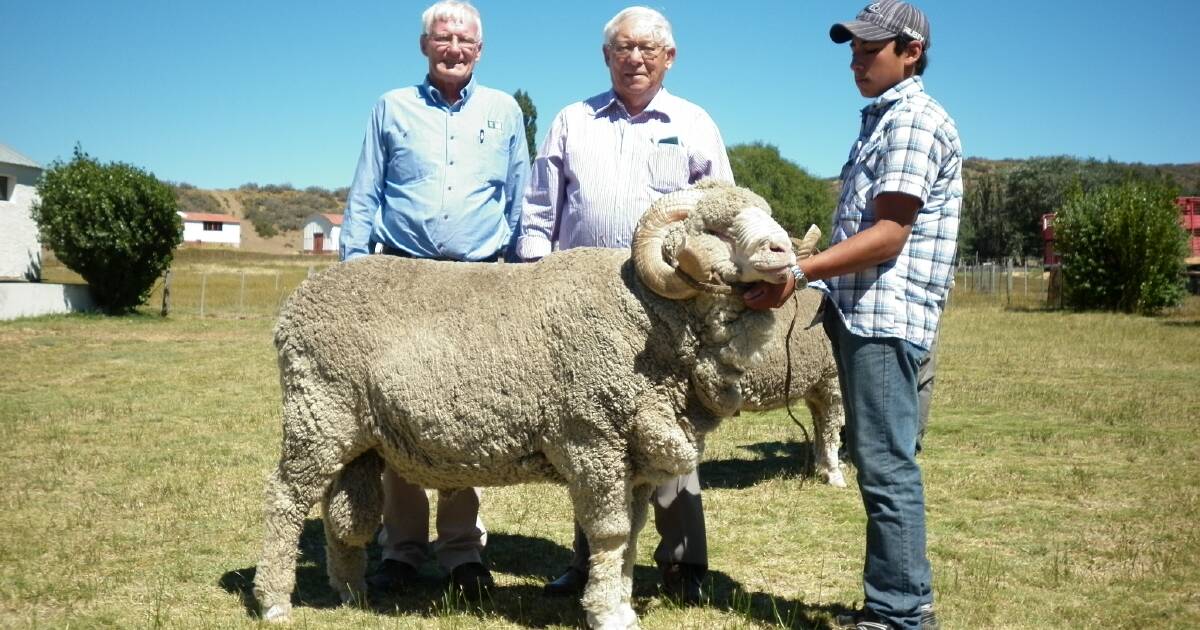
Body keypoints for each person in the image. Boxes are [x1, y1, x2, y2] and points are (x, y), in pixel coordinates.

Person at [744, 2, 960, 628]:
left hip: (884, 317)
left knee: (887, 463)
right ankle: (896, 605)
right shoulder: (884, 119)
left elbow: (890, 233)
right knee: (884, 457)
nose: (856, 59)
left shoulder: (912, 121)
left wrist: (799, 274)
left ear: (911, 51)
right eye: (853, 49)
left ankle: (900, 614)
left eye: (871, 48)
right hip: (868, 312)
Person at [516, 6, 732, 606]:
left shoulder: (693, 123)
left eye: (646, 49)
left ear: (668, 57)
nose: (634, 58)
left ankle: (684, 565)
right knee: (591, 435)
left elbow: (719, 211)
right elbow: (538, 212)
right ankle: (591, 567)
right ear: (606, 56)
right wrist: (537, 285)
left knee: (667, 427)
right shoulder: (571, 121)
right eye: (622, 48)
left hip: (665, 306)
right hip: (578, 311)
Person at [339, 0, 529, 599]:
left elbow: (520, 199)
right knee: (400, 409)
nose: (454, 48)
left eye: (465, 40)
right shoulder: (391, 107)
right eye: (442, 38)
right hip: (401, 280)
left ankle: (462, 551)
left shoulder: (505, 112)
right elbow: (365, 192)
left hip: (478, 281)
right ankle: (401, 549)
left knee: (464, 412)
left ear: (480, 49)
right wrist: (351, 273)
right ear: (424, 46)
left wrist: (522, 274)